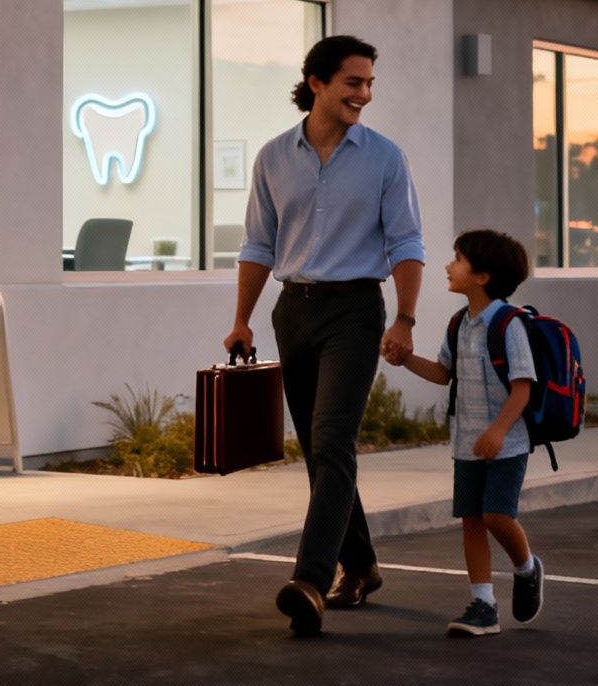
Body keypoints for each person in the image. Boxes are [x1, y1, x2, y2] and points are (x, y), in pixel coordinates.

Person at [225, 34, 424, 637]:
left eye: (368, 85)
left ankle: (310, 579)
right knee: (318, 450)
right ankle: (361, 564)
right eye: (352, 84)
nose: (363, 95)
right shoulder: (273, 157)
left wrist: (405, 320)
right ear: (316, 83)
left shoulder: (385, 158)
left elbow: (406, 243)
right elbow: (259, 245)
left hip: (355, 311)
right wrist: (243, 318)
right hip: (294, 311)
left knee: (334, 439)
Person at [386, 228, 545, 637]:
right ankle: (483, 604)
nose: (447, 265)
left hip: (506, 443)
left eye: (457, 258)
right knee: (471, 520)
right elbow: (443, 373)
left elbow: (523, 386)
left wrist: (498, 430)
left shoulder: (509, 324)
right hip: (467, 442)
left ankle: (527, 567)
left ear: (482, 276)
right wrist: (406, 361)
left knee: (495, 514)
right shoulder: (459, 324)